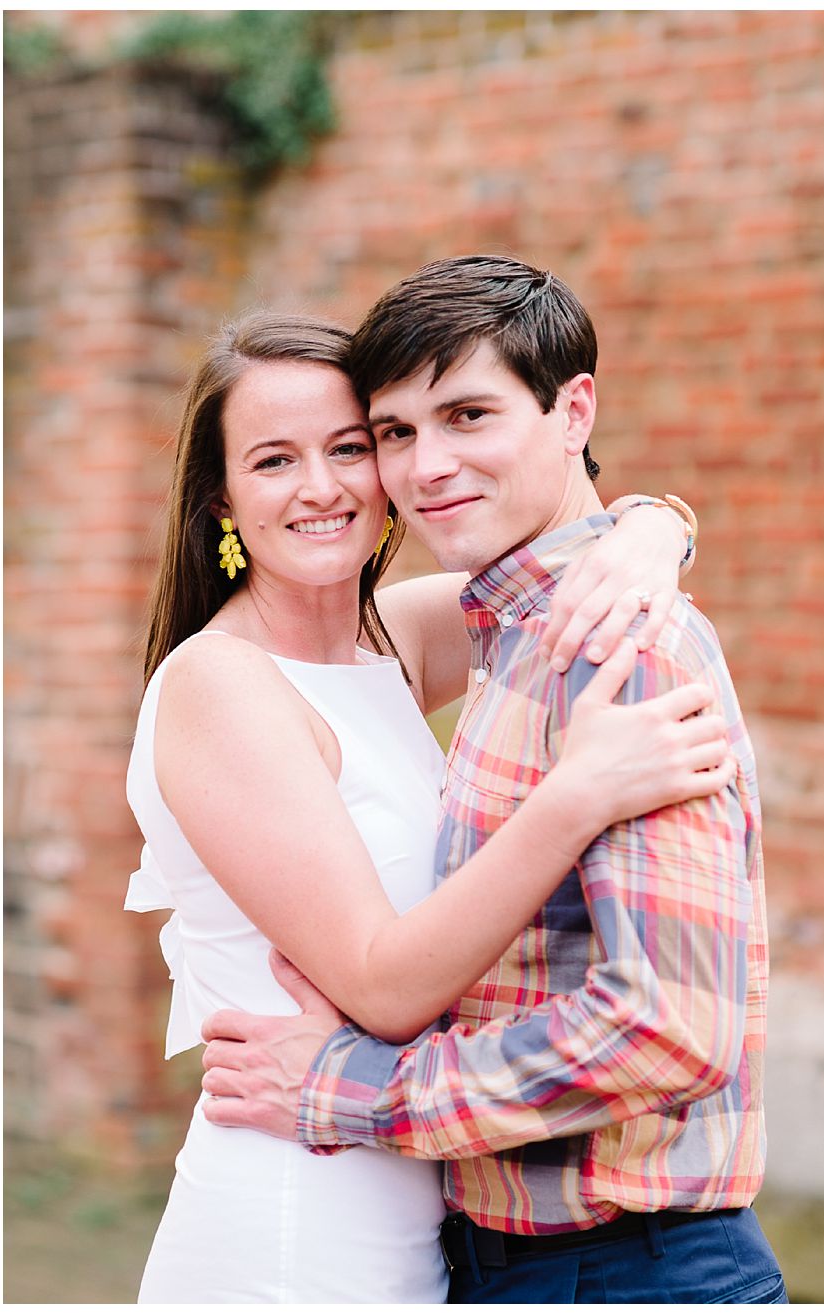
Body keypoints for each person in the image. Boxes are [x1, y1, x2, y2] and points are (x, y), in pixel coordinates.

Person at [198, 257, 782, 1303]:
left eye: (468, 415)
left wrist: (351, 1089)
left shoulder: (617, 649)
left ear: (574, 412)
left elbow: (667, 1028)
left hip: (627, 1272)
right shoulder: (496, 628)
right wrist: (659, 520)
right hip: (491, 1260)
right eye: (395, 432)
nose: (427, 467)